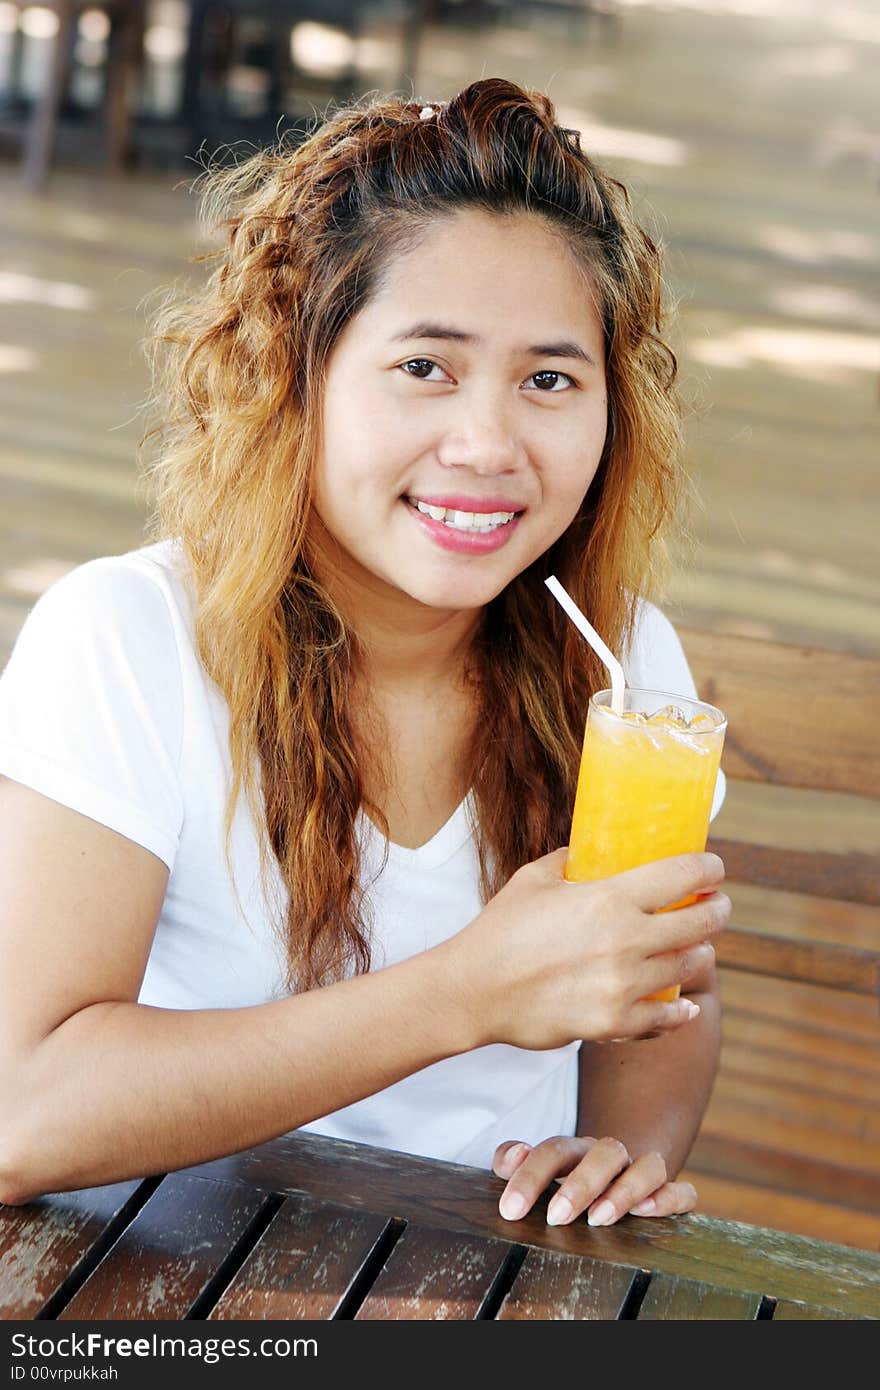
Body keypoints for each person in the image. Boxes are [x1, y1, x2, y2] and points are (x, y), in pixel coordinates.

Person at [0, 77, 730, 1227]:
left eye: (549, 378)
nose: (486, 443)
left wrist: (617, 1155)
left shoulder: (625, 666)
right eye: (424, 367)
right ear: (299, 374)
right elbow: (21, 1115)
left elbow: (667, 987)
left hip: (486, 1275)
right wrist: (465, 994)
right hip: (162, 1274)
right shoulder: (128, 644)